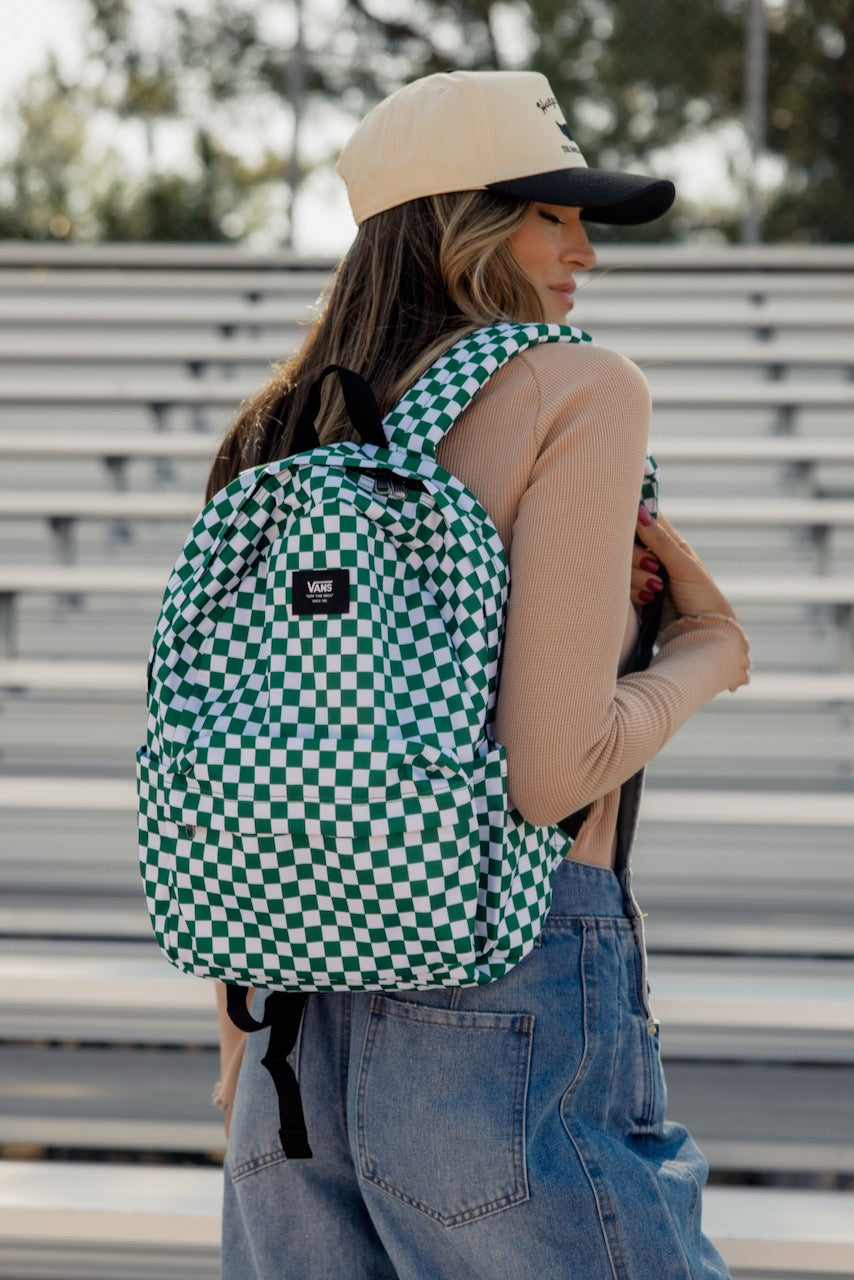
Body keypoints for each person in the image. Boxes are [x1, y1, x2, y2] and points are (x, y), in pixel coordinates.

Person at [210, 70, 749, 1280]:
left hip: (283, 1009)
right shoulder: (574, 386)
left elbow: (244, 751)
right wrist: (707, 657)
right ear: (455, 225)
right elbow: (549, 769)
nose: (582, 256)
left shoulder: (278, 431)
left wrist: (237, 1033)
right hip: (498, 977)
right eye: (548, 214)